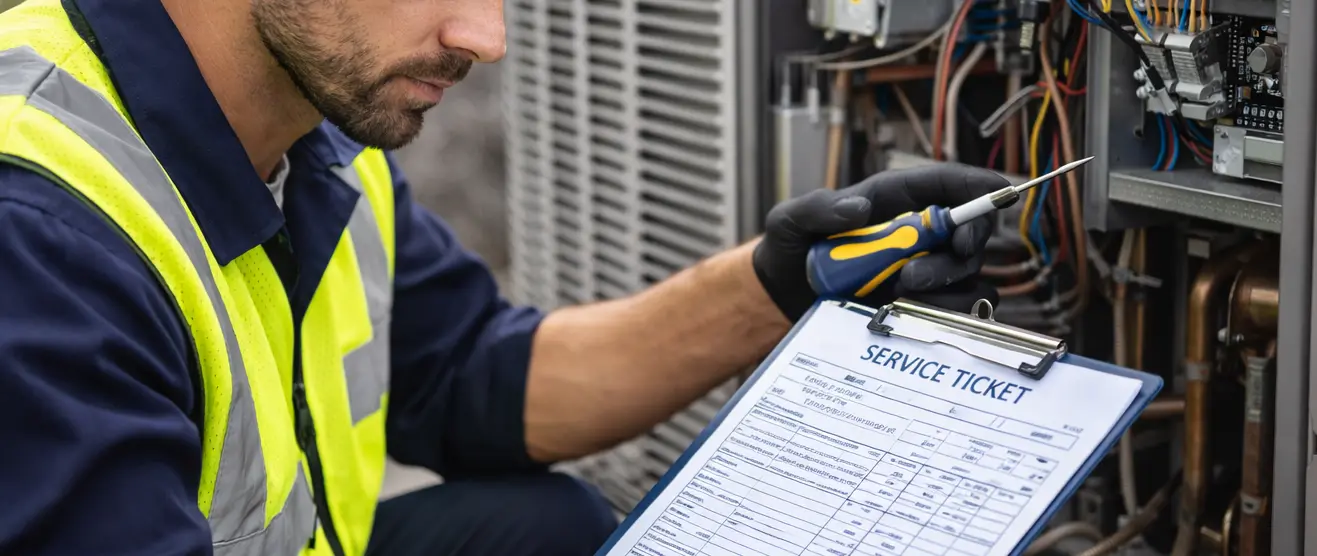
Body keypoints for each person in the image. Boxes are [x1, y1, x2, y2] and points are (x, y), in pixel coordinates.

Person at [0, 0, 1007, 554]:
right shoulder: (39, 234)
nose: (486, 37)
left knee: (545, 530)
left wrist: (780, 284)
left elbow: (468, 377)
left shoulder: (313, 137)